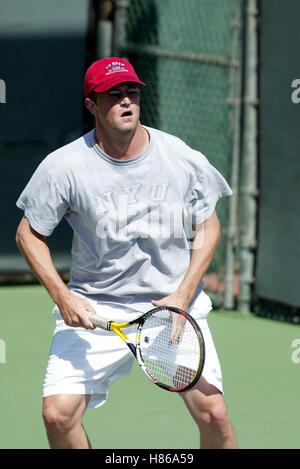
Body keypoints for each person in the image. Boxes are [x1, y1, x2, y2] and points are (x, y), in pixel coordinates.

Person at [16, 57, 238, 449]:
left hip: (172, 306)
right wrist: (63, 296)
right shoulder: (63, 167)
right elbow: (28, 235)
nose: (125, 101)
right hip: (96, 308)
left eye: (131, 92)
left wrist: (184, 294)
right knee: (58, 415)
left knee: (215, 415)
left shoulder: (180, 157)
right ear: (91, 105)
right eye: (113, 95)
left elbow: (209, 223)